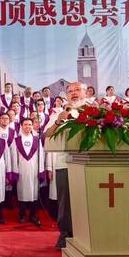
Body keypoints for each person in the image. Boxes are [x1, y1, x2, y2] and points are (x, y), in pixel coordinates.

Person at [44, 81, 87, 248]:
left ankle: (87, 234)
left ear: (86, 92)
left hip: (90, 163)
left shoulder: (95, 112)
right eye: (70, 91)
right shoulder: (59, 113)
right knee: (66, 202)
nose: (74, 93)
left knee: (86, 199)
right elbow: (47, 134)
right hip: (65, 163)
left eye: (77, 90)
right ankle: (65, 234)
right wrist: (58, 122)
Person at [11, 118, 44, 226]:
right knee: (22, 193)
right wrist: (15, 172)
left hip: (34, 170)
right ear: (21, 126)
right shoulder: (16, 141)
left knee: (34, 193)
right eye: (25, 124)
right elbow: (13, 158)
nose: (28, 127)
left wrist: (41, 171)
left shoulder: (36, 140)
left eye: (30, 124)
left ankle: (33, 215)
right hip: (22, 171)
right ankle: (21, 214)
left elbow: (41, 156)